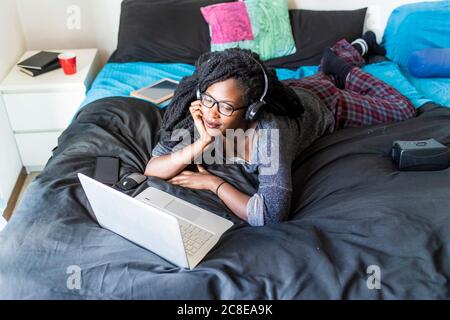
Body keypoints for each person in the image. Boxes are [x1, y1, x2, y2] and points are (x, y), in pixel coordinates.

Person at [144, 31, 416, 227]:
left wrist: (214, 183)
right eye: (209, 100)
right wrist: (200, 144)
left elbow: (269, 216)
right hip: (293, 94)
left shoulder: (269, 134)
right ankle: (347, 52)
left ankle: (345, 72)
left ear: (251, 108)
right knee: (322, 76)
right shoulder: (201, 114)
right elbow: (153, 167)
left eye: (226, 107)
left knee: (403, 108)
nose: (213, 113)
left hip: (326, 104)